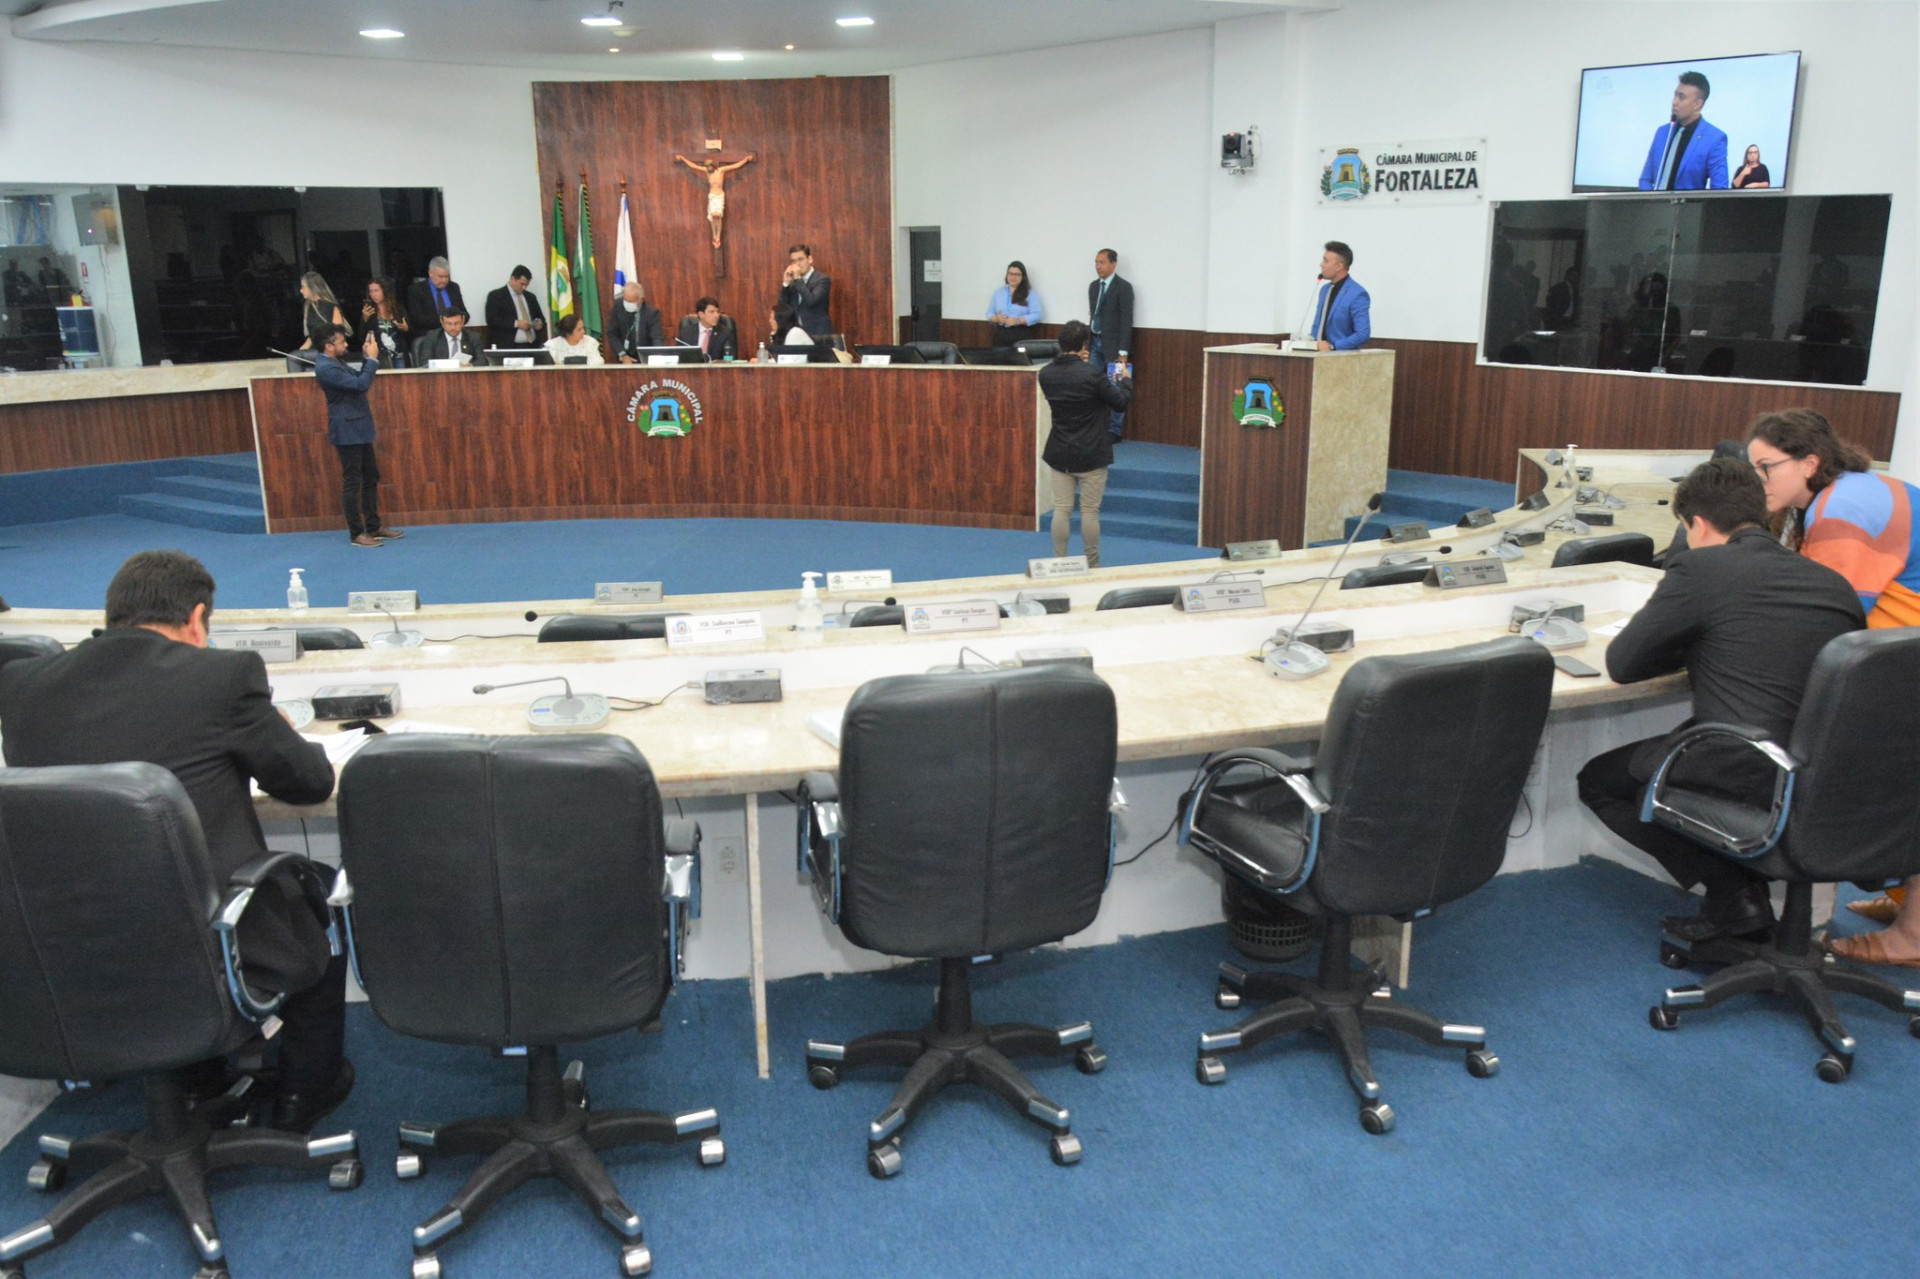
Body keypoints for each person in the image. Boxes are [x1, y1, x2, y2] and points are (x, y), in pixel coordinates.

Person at [0, 550, 353, 1132]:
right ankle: (304, 1092)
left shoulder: (20, 685)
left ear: (113, 615)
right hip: (204, 942)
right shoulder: (222, 677)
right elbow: (310, 782)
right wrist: (278, 735)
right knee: (317, 897)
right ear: (196, 618)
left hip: (66, 942)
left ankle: (197, 1081)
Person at [1576, 457, 1864, 944]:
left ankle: (1735, 895)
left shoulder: (1700, 567)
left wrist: (1691, 644)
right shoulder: (1829, 583)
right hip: (1830, 772)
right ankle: (1741, 898)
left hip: (1745, 763)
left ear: (1698, 524)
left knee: (1600, 782)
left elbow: (1623, 664)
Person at [1745, 409, 1920, 966]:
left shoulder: (1843, 511)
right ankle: (1906, 906)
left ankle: (1913, 938)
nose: (1758, 482)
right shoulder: (1849, 490)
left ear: (1811, 462)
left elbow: (1824, 618)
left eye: (1766, 467)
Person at [1038, 320, 1131, 569]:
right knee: (1089, 512)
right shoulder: (1093, 375)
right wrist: (1125, 379)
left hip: (1060, 450)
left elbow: (1071, 384)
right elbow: (1120, 402)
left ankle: (1058, 562)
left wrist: (1081, 362)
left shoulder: (1045, 374)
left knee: (1062, 509)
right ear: (1083, 346)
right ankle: (1093, 564)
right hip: (1091, 452)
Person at [317, 323, 402, 546]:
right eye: (341, 341)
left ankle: (373, 527)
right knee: (352, 482)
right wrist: (373, 360)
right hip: (346, 431)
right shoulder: (326, 368)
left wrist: (366, 358)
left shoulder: (335, 362)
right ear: (328, 345)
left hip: (359, 428)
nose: (346, 344)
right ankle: (357, 533)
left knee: (371, 476)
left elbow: (358, 377)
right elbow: (360, 384)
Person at [1636, 70, 1728, 191]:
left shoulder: (1714, 138)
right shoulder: (1663, 132)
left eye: (1681, 97)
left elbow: (1719, 189)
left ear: (1697, 104)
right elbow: (1645, 179)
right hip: (1653, 207)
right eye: (1675, 95)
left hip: (1688, 208)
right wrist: (1651, 202)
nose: (1674, 102)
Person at [1087, 248, 1134, 439]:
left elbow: (1125, 321)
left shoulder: (1123, 287)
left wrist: (1123, 351)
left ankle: (1115, 430)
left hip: (1114, 347)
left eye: (1102, 262)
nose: (1098, 266)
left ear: (1113, 264)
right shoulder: (1093, 286)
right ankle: (1092, 426)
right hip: (1094, 342)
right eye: (1096, 262)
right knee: (1090, 385)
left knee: (1117, 387)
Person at [673, 152, 756, 249]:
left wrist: (746, 159)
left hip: (719, 196)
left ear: (713, 166)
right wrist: (683, 158)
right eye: (707, 168)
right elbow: (693, 166)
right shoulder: (707, 171)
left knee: (718, 216)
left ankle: (717, 237)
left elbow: (735, 166)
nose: (708, 169)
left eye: (710, 167)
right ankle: (715, 236)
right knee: (713, 217)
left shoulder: (721, 171)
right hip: (712, 196)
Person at [1308, 240, 1371, 352]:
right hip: (1317, 355)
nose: (1321, 264)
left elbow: (1363, 334)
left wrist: (1333, 346)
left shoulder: (1357, 294)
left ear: (1339, 266)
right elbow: (1318, 325)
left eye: (1325, 261)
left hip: (1341, 359)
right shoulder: (1324, 289)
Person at [483, 264, 547, 350]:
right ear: (513, 279)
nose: (524, 287)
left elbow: (540, 317)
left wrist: (540, 324)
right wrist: (516, 323)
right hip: (509, 346)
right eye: (522, 284)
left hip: (532, 346)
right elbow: (492, 320)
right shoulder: (496, 296)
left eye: (527, 285)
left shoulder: (531, 297)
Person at [779, 243, 833, 337]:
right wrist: (786, 284)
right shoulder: (794, 282)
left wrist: (797, 279)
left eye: (800, 259)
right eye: (793, 261)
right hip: (797, 335)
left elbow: (811, 301)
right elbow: (782, 309)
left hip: (819, 334)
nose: (797, 264)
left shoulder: (822, 280)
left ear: (810, 259)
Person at [404, 255, 467, 332]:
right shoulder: (416, 290)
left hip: (454, 333)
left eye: (446, 276)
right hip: (429, 335)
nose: (444, 280)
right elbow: (417, 319)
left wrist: (455, 322)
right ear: (430, 273)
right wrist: (446, 321)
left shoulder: (454, 287)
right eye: (440, 277)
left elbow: (465, 314)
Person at [987, 260, 1042, 348]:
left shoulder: (1030, 293)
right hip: (1001, 334)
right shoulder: (998, 292)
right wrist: (997, 318)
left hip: (1021, 334)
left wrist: (1018, 320)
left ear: (1023, 276)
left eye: (1017, 274)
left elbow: (1037, 315)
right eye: (1010, 274)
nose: (1013, 277)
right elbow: (989, 313)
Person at [357, 276, 410, 368]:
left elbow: (409, 332)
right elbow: (361, 337)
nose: (373, 294)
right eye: (371, 291)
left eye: (376, 290)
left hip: (399, 354)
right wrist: (365, 319)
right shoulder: (369, 311)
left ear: (385, 291)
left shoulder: (397, 308)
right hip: (379, 357)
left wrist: (405, 328)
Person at [607, 281, 665, 361]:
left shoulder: (651, 314)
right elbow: (612, 333)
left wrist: (656, 360)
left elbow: (657, 339)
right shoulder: (618, 306)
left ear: (641, 300)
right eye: (625, 300)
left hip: (644, 360)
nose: (627, 303)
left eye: (630, 301)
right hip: (624, 358)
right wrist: (622, 355)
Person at [411, 305, 486, 367]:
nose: (453, 328)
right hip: (440, 377)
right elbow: (425, 363)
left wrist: (470, 366)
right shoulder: (432, 337)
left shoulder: (473, 337)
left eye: (456, 323)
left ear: (463, 321)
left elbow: (483, 361)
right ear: (442, 322)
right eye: (449, 324)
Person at [296, 271, 346, 350]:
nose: (301, 291)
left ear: (312, 288)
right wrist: (300, 352)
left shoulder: (331, 307)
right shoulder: (308, 307)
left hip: (328, 351)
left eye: (303, 287)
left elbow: (339, 334)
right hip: (314, 350)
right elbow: (310, 338)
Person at [677, 296, 736, 360]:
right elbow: (679, 357)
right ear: (701, 314)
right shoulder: (686, 333)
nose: (716, 315)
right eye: (711, 312)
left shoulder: (726, 333)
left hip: (716, 369)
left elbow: (729, 359)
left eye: (717, 312)